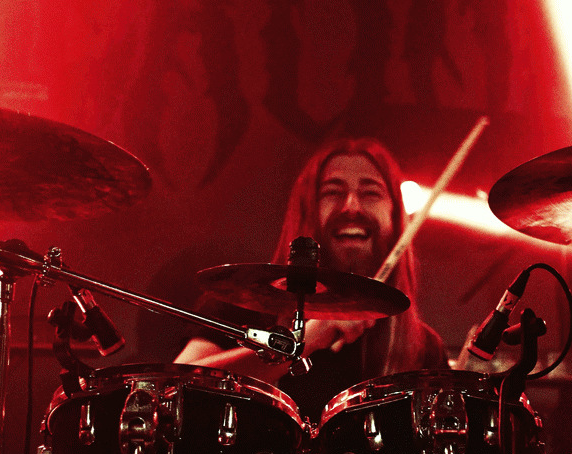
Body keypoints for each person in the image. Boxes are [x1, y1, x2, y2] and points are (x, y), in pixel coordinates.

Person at [174, 137, 449, 421]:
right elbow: (173, 388)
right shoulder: (245, 299)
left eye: (371, 193)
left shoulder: (423, 347)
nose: (351, 206)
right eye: (333, 192)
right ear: (308, 209)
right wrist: (301, 342)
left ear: (395, 215)